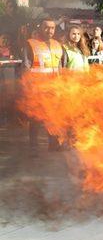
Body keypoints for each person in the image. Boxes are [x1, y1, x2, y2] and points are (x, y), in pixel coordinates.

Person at [23, 18, 64, 149]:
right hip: (37, 89)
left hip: (54, 89)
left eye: (52, 28)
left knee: (53, 117)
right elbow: (26, 67)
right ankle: (33, 146)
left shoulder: (58, 45)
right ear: (40, 27)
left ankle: (53, 144)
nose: (49, 30)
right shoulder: (31, 44)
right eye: (46, 27)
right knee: (35, 118)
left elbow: (60, 67)